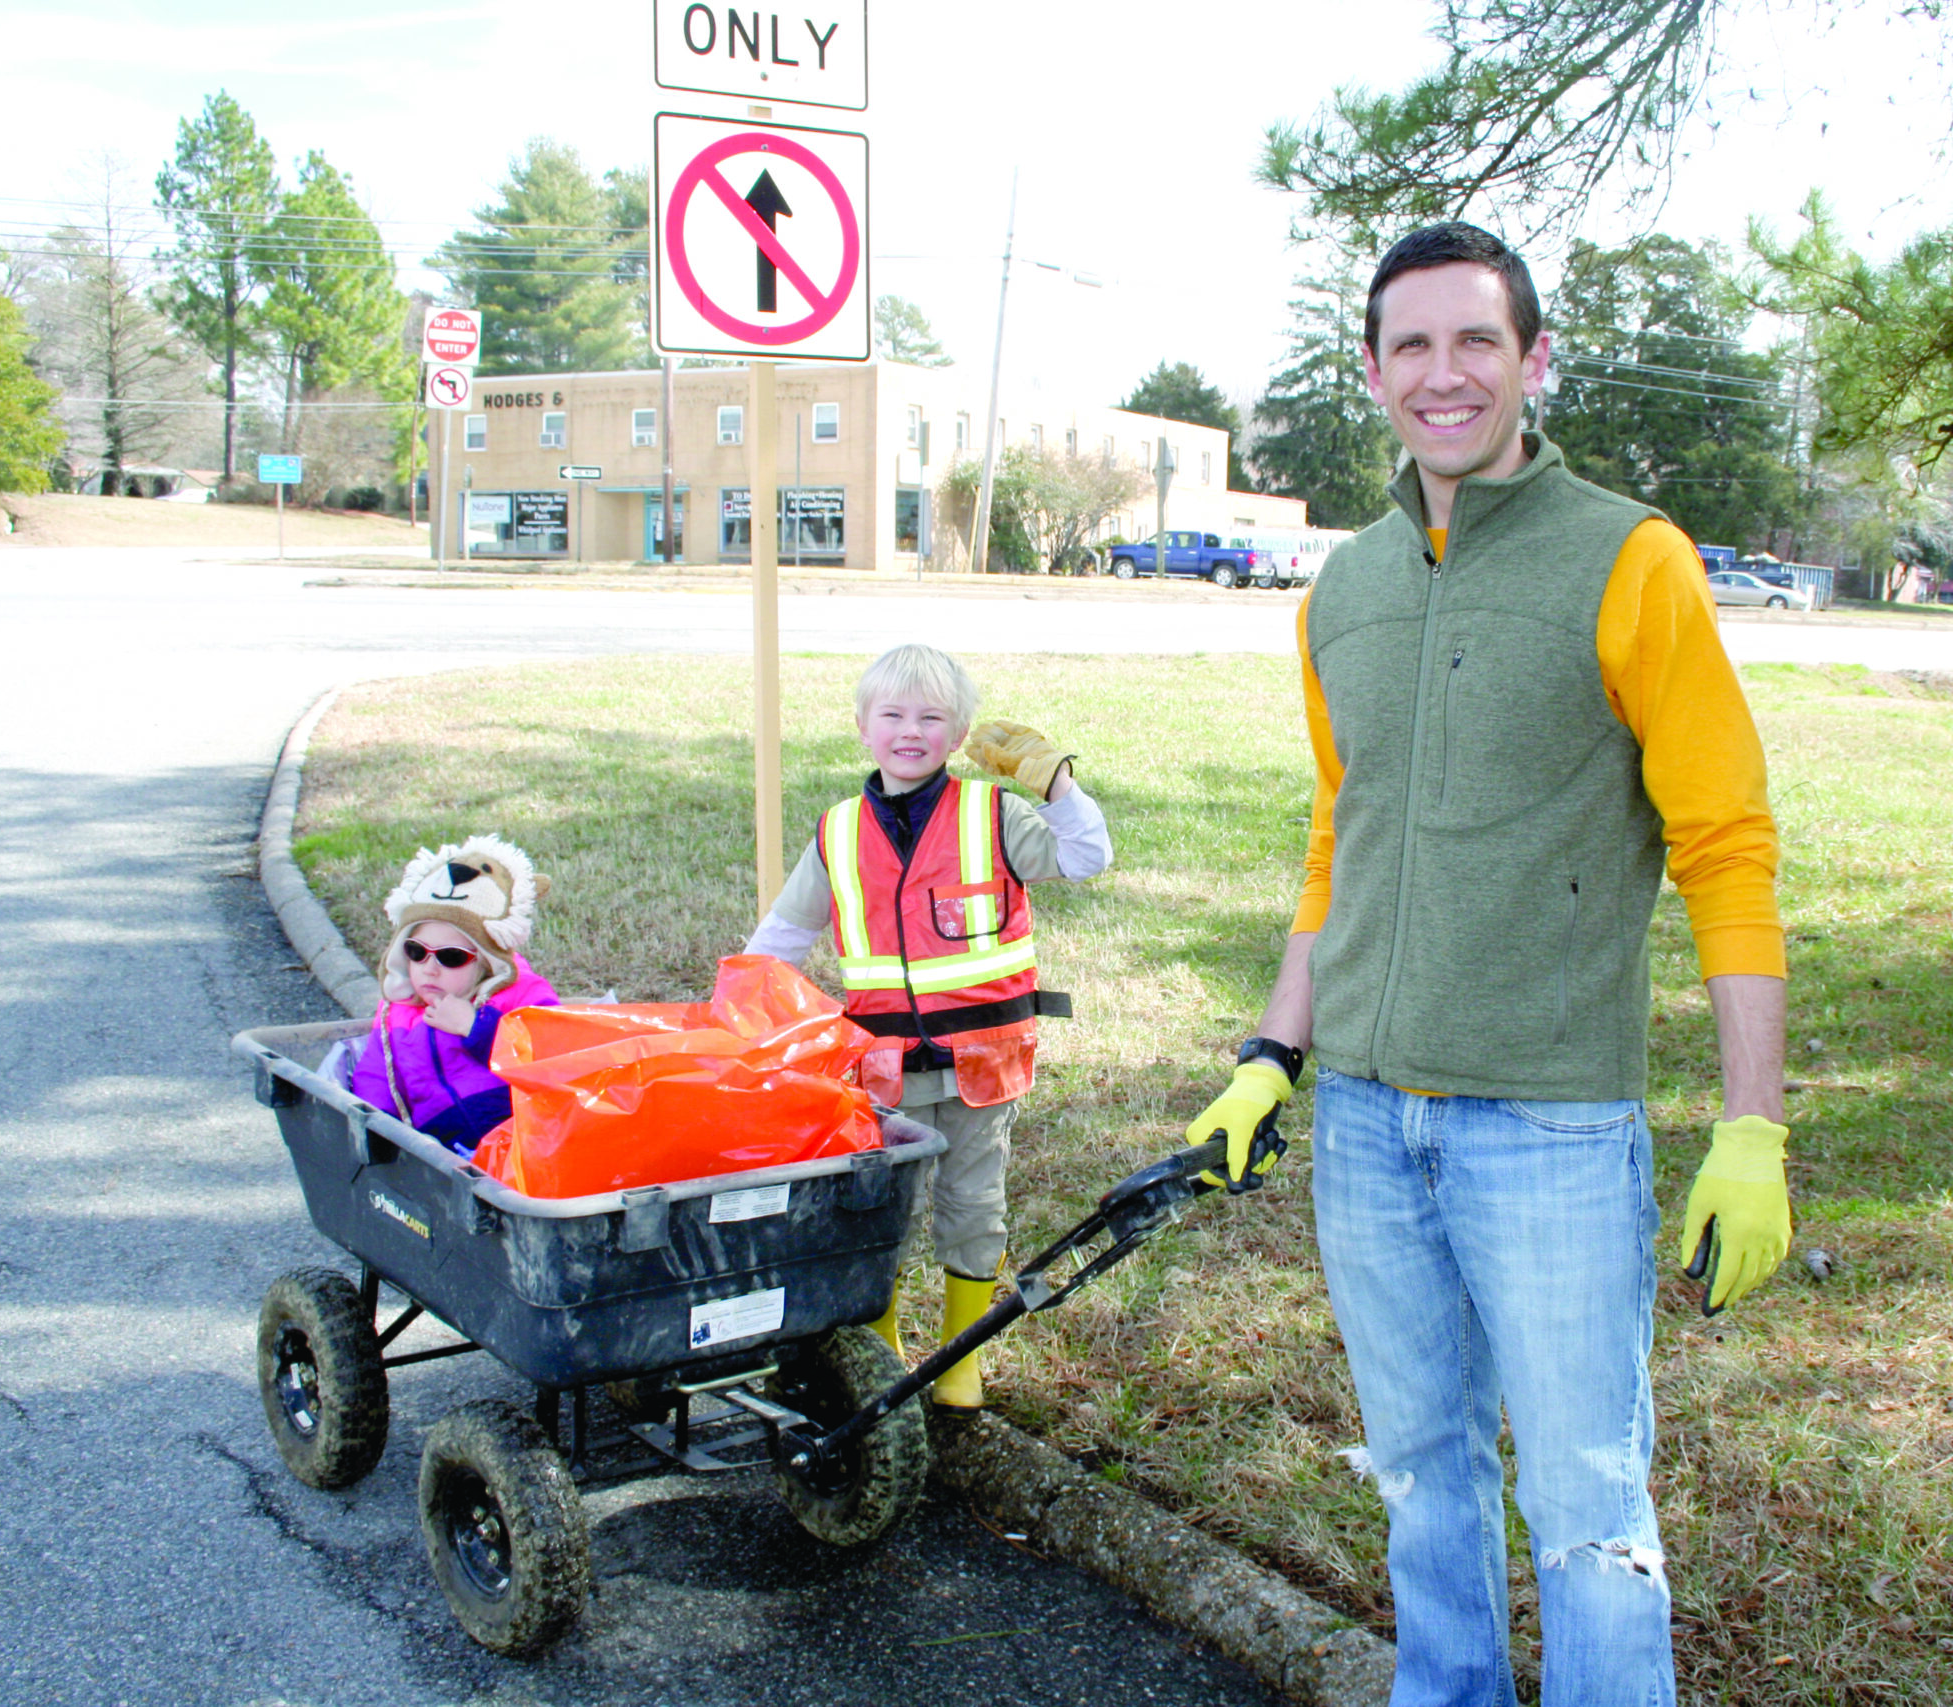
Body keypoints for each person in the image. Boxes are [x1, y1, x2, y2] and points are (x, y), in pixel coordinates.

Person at [1184, 222, 1790, 1707]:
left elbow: (1727, 847)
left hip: (1553, 1128)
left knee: (1588, 1513)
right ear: (1375, 372)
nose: (1443, 374)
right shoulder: (1345, 591)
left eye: (1476, 341)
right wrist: (1273, 1053)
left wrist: (1753, 1125)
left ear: (1532, 359)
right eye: (1412, 346)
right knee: (1419, 1478)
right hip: (1369, 1126)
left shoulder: (1632, 560)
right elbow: (1347, 841)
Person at [744, 643, 1111, 1407]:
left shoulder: (992, 813)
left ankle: (959, 1361)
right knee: (878, 1212)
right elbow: (783, 934)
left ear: (959, 733)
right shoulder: (838, 832)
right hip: (880, 1073)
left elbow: (1085, 856)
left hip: (983, 1065)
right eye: (893, 715)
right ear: (862, 727)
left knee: (974, 1205)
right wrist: (738, 1012)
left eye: (931, 717)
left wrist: (1056, 783)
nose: (910, 731)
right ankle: (883, 1351)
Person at [349, 835, 559, 1155]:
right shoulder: (397, 1014)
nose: (429, 969)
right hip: (438, 1144)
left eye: (450, 957)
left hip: (520, 1133)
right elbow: (376, 1075)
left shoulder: (518, 994)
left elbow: (548, 1055)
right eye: (416, 952)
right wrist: (373, 1126)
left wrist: (478, 1028)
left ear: (485, 960)